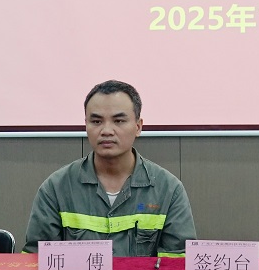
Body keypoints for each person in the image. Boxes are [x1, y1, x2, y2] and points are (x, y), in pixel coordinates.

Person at [23, 80, 196, 256]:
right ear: (86, 125)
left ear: (138, 126)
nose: (106, 130)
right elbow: (37, 261)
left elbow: (178, 264)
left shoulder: (168, 190)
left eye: (118, 121)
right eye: (96, 121)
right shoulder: (56, 189)